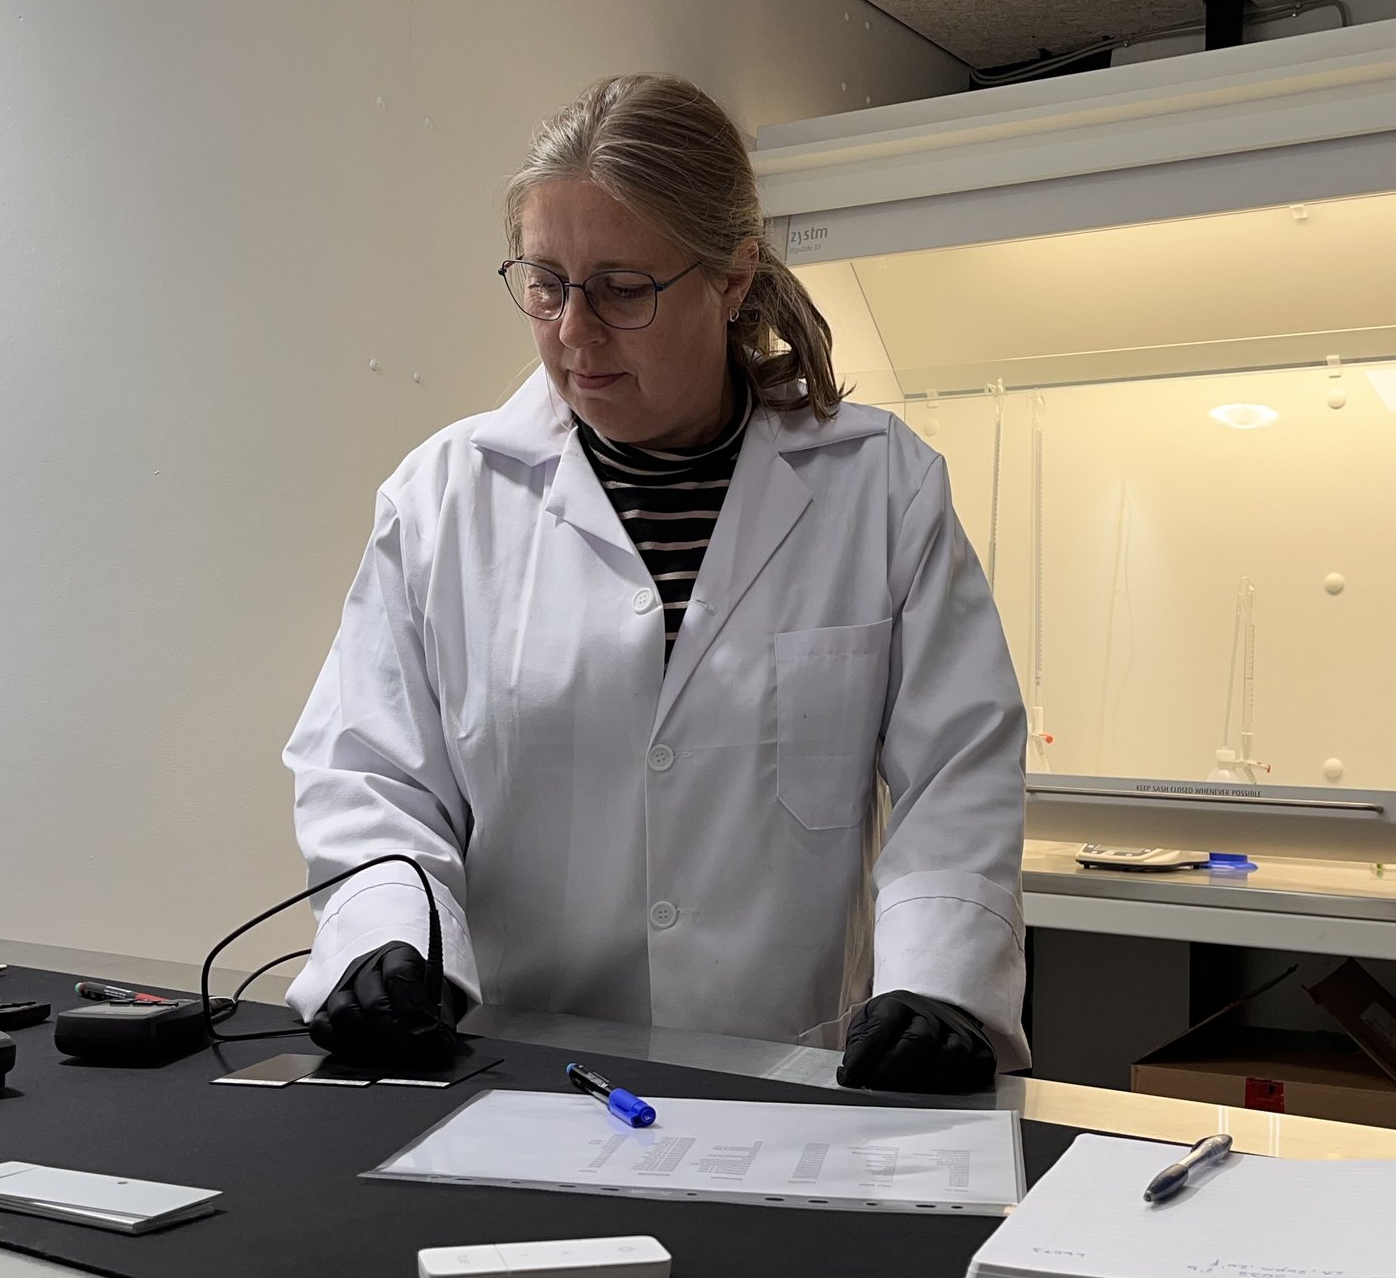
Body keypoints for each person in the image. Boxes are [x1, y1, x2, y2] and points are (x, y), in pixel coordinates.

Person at [284, 74, 1027, 1092]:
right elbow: (369, 767)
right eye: (546, 284)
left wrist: (939, 980)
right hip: (513, 1073)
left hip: (783, 1075)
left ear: (731, 278)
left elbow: (960, 769)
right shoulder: (447, 496)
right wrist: (388, 938)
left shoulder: (878, 485)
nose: (574, 335)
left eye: (623, 290)